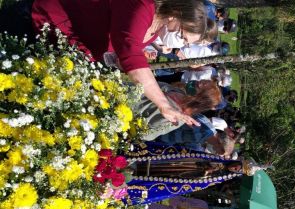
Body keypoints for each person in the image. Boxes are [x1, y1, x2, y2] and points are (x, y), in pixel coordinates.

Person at [31, 0, 208, 127]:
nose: (179, 40)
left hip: (69, 49)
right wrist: (164, 104)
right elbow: (129, 51)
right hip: (46, 23)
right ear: (177, 14)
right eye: (181, 33)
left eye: (184, 40)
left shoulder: (156, 30)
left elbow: (122, 51)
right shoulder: (142, 6)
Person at [121, 141, 267, 205]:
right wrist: (209, 165)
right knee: (159, 161)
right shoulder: (220, 160)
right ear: (238, 163)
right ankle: (126, 162)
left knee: (158, 175)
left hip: (185, 175)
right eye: (237, 166)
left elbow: (202, 183)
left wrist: (206, 172)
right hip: (185, 162)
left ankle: (126, 177)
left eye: (238, 171)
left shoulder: (220, 177)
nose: (235, 168)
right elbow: (199, 156)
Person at [128, 80, 222, 141]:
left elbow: (147, 134)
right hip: (122, 96)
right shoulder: (176, 90)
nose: (196, 82)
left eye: (200, 85)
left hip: (123, 114)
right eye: (199, 82)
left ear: (200, 99)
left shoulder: (178, 118)